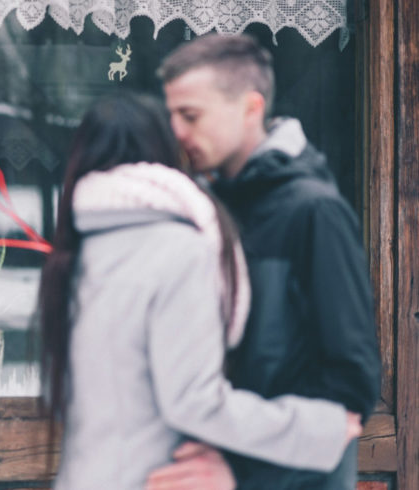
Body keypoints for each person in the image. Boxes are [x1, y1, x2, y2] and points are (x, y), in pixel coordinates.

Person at [38, 95, 363, 490]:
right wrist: (317, 429)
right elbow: (194, 401)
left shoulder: (71, 256)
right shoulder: (179, 249)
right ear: (162, 151)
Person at [150, 34, 381, 489]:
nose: (176, 131)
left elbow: (352, 390)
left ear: (250, 108)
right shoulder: (206, 208)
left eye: (190, 115)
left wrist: (239, 475)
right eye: (172, 115)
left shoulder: (315, 212)